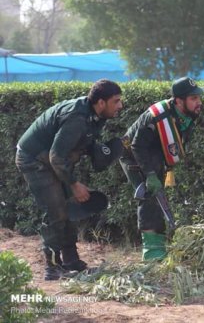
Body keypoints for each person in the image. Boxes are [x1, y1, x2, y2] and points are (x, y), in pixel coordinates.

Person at [15, 79, 124, 280]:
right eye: (116, 101)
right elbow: (56, 157)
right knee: (56, 210)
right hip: (34, 160)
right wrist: (73, 184)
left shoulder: (95, 115)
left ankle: (71, 261)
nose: (120, 106)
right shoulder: (77, 118)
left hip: (52, 160)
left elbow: (76, 148)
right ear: (101, 102)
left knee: (66, 208)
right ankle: (52, 268)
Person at [120, 76, 204, 261]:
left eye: (199, 98)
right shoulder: (157, 116)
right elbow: (137, 146)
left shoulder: (188, 114)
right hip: (134, 156)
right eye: (194, 98)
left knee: (160, 199)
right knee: (149, 197)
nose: (199, 102)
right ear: (179, 101)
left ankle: (159, 247)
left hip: (154, 156)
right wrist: (150, 175)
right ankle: (151, 253)